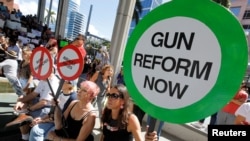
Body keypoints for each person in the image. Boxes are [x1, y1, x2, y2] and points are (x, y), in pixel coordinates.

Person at [5, 70, 59, 141]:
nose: (38, 76)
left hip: (48, 108)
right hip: (41, 103)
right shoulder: (43, 80)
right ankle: (25, 133)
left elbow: (44, 102)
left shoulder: (53, 82)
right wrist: (20, 101)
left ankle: (24, 117)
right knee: (22, 101)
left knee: (24, 113)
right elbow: (33, 94)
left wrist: (29, 109)